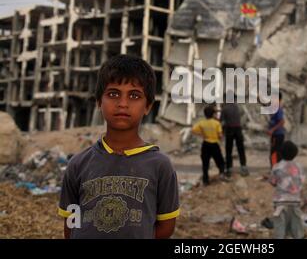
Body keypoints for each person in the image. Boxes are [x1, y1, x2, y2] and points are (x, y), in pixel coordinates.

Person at [58, 55, 179, 239]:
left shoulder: (160, 166)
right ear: (99, 102)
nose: (122, 103)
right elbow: (70, 226)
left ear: (147, 106)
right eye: (113, 94)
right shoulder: (78, 164)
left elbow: (166, 227)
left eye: (134, 96)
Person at [269, 140, 305, 239]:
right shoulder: (299, 167)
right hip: (295, 200)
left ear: (281, 153)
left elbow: (273, 182)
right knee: (296, 225)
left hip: (280, 201)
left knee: (280, 226)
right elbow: (301, 181)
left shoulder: (277, 167)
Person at [192, 104, 226, 185]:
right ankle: (222, 174)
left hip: (206, 144)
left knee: (205, 163)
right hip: (214, 144)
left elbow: (193, 130)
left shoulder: (202, 123)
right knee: (220, 161)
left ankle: (205, 180)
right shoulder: (216, 123)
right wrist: (220, 139)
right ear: (213, 114)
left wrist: (202, 135)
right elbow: (220, 135)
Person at [221, 93, 248, 177]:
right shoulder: (238, 107)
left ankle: (229, 168)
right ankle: (243, 167)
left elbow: (222, 121)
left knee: (229, 149)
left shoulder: (225, 109)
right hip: (238, 129)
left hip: (229, 129)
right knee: (241, 148)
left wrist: (222, 131)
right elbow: (242, 115)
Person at [267, 92, 285, 167]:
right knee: (275, 153)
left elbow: (282, 122)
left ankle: (275, 169)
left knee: (275, 154)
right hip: (276, 135)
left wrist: (272, 130)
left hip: (278, 135)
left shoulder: (278, 109)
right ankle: (275, 169)